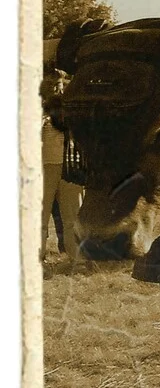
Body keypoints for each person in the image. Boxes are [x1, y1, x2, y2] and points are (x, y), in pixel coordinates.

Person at [41, 74, 83, 261]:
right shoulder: (33, 111)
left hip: (70, 167)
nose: (57, 90)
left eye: (59, 86)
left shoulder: (72, 109)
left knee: (72, 217)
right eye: (52, 86)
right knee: (39, 219)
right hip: (43, 168)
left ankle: (78, 257)